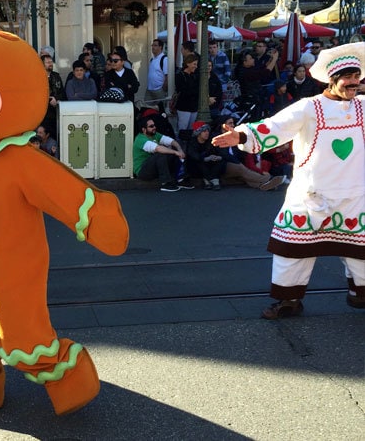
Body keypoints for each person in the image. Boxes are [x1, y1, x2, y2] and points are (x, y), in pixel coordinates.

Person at [212, 43, 365, 319]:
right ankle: (288, 300)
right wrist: (243, 135)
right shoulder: (309, 108)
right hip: (311, 196)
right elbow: (276, 126)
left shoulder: (363, 107)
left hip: (357, 197)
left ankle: (361, 294)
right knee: (291, 250)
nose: (354, 82)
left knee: (361, 253)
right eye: (348, 77)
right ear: (332, 79)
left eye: (357, 76)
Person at [212, 117, 286, 191]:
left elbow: (240, 152)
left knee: (246, 176)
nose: (233, 125)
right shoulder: (217, 136)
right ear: (223, 125)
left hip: (236, 163)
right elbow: (225, 155)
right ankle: (269, 179)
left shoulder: (234, 135)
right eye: (230, 123)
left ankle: (264, 185)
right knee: (241, 169)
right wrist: (239, 163)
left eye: (233, 123)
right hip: (223, 164)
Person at [132, 115, 190, 192]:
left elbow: (171, 141)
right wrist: (176, 152)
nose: (154, 127)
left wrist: (180, 150)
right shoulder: (140, 139)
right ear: (144, 129)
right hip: (143, 171)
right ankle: (165, 183)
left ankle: (180, 179)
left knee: (172, 152)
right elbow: (158, 148)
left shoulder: (155, 134)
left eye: (154, 125)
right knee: (161, 154)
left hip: (153, 168)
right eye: (151, 126)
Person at [40, 53, 64, 138]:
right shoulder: (38, 77)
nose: (50, 64)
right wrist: (50, 99)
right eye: (47, 62)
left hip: (55, 112)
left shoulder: (56, 76)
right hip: (43, 113)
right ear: (42, 64)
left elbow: (62, 93)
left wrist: (56, 98)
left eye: (51, 62)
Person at [174, 54, 199, 135]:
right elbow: (183, 91)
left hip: (194, 107)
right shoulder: (180, 76)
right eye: (194, 64)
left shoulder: (194, 76)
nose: (196, 66)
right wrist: (195, 92)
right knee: (182, 129)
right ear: (188, 63)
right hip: (184, 107)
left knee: (191, 130)